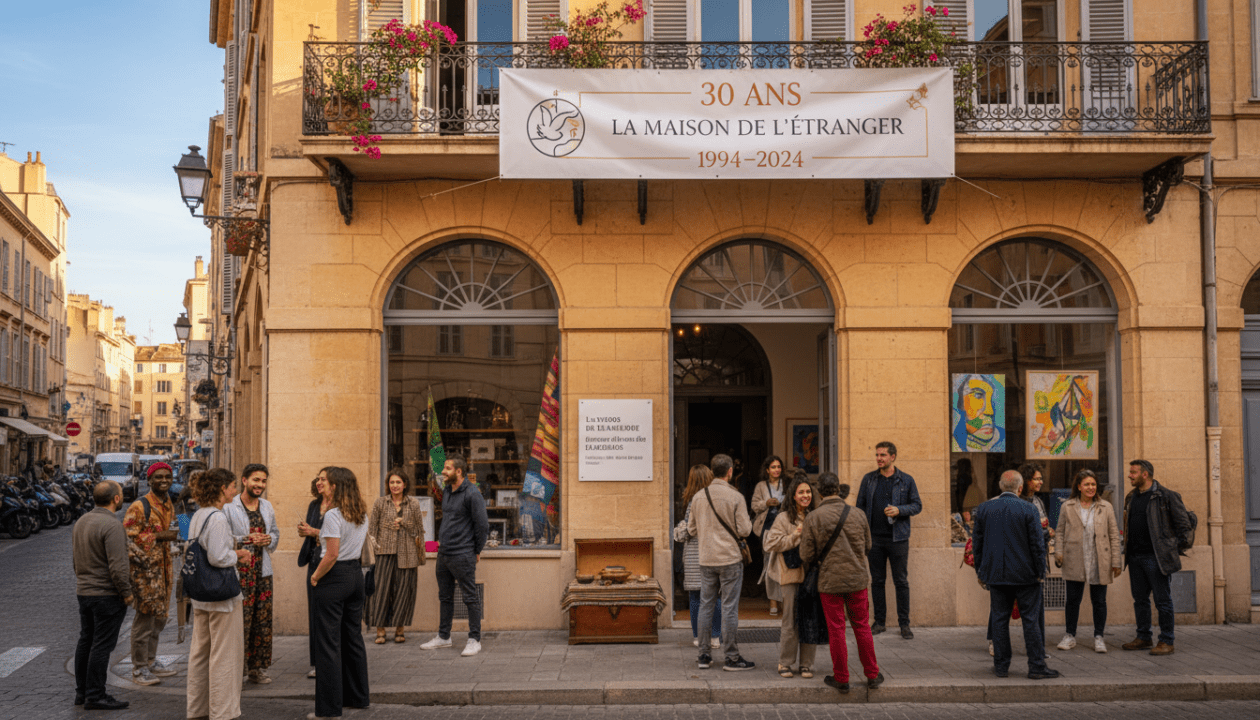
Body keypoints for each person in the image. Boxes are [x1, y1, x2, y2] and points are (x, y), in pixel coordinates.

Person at [972, 470, 1059, 680]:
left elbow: (977, 544)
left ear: (1001, 487)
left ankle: (1001, 666)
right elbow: (1037, 545)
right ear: (1020, 488)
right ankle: (1036, 666)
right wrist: (1040, 572)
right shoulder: (1029, 509)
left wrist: (981, 571)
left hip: (997, 575)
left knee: (999, 620)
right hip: (1026, 575)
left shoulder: (984, 508)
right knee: (1031, 621)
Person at [802, 474, 881, 693]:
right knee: (862, 626)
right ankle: (872, 674)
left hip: (830, 581)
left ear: (820, 492)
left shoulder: (814, 517)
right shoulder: (858, 514)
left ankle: (842, 678)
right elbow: (867, 546)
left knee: (836, 630)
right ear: (838, 489)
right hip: (857, 579)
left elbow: (806, 554)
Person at [186, 468, 250, 720]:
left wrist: (236, 541)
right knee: (225, 655)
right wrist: (239, 555)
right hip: (221, 595)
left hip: (200, 594)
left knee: (200, 654)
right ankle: (223, 712)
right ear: (222, 489)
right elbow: (218, 556)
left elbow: (194, 544)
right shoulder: (219, 517)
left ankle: (198, 709)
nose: (235, 491)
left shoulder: (196, 515)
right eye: (233, 486)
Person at [309, 466, 372, 719]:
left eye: (326, 480)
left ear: (335, 486)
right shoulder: (360, 513)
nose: (320, 483)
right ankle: (358, 697)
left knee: (328, 645)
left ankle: (328, 709)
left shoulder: (334, 515)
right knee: (353, 639)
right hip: (356, 577)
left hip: (334, 578)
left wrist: (315, 576)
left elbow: (332, 554)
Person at [688, 453, 754, 671]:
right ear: (730, 471)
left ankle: (704, 656)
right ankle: (732, 658)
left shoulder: (698, 497)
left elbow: (691, 530)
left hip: (706, 558)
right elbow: (745, 530)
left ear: (711, 470)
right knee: (729, 608)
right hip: (729, 558)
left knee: (706, 606)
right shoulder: (735, 497)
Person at [1121, 459, 1193, 656]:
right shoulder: (1131, 497)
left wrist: (1169, 549)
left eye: (1133, 472)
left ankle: (1166, 640)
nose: (1129, 475)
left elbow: (1184, 527)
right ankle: (1143, 636)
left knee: (1163, 601)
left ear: (1145, 474)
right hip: (1135, 557)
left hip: (1156, 558)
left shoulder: (1165, 496)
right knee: (1140, 600)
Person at [420, 453, 489, 657]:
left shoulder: (472, 493)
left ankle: (474, 639)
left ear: (458, 471)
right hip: (444, 553)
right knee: (445, 596)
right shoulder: (448, 491)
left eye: (447, 469)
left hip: (463, 553)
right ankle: (444, 637)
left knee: (470, 597)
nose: (443, 472)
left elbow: (482, 526)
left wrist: (476, 550)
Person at [73, 481, 133, 710]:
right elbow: (118, 567)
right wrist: (126, 593)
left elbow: (75, 560)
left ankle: (82, 692)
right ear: (116, 499)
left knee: (86, 641)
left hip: (85, 591)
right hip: (106, 593)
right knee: (101, 645)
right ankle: (95, 694)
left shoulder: (81, 521)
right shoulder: (112, 525)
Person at [854, 441, 921, 638]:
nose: (878, 459)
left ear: (893, 457)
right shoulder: (869, 479)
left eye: (882, 455)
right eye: (877, 455)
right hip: (874, 538)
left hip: (898, 538)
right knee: (877, 581)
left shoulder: (906, 480)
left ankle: (904, 624)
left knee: (901, 581)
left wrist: (900, 510)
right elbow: (860, 507)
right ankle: (879, 622)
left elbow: (917, 505)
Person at [123, 462, 179, 686]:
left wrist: (185, 528)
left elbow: (180, 529)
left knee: (160, 618)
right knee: (145, 620)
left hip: (165, 570)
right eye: (159, 477)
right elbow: (128, 537)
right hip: (145, 573)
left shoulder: (170, 503)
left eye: (167, 476)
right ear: (150, 480)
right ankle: (139, 668)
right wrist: (160, 536)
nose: (164, 480)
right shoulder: (139, 506)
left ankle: (151, 660)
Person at [1055, 469, 1121, 653]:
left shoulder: (1105, 507)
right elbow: (1059, 531)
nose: (1091, 487)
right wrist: (1058, 552)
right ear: (1079, 487)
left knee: (1099, 600)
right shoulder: (1067, 506)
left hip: (1099, 559)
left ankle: (1099, 637)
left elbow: (1114, 535)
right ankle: (1069, 635)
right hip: (1074, 558)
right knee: (1072, 600)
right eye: (1087, 484)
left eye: (1093, 484)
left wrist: (1116, 560)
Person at [225, 463, 279, 684]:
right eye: (256, 480)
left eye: (264, 481)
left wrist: (269, 540)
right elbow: (223, 538)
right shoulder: (229, 507)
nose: (260, 485)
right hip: (241, 572)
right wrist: (247, 539)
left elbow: (275, 532)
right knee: (241, 622)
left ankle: (258, 667)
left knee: (262, 620)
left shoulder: (266, 506)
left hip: (262, 572)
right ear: (244, 480)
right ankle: (238, 670)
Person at [763, 472, 818, 679]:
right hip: (790, 574)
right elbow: (770, 544)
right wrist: (795, 536)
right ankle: (785, 663)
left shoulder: (815, 515)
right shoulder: (783, 518)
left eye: (808, 492)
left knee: (809, 619)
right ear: (793, 495)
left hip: (811, 575)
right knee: (790, 620)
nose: (806, 495)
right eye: (801, 492)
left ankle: (806, 664)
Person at [366, 467, 425, 644]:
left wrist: (405, 523)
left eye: (398, 482)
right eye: (391, 482)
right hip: (383, 553)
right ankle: (380, 630)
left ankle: (400, 629)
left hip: (407, 554)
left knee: (403, 592)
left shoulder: (413, 504)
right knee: (381, 592)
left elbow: (419, 531)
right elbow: (371, 530)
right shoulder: (380, 503)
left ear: (405, 484)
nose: (395, 485)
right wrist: (374, 550)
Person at [674, 464, 721, 649]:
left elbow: (689, 529)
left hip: (695, 555)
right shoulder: (717, 498)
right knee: (714, 596)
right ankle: (715, 636)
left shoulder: (695, 501)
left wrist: (678, 529)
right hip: (714, 552)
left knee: (695, 597)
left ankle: (697, 636)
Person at [298, 471, 332, 679]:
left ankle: (330, 661)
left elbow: (339, 537)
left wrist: (314, 532)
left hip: (331, 563)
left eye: (323, 479)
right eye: (317, 479)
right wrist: (304, 531)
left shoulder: (340, 507)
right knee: (314, 614)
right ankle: (318, 662)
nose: (318, 482)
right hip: (313, 560)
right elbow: (310, 531)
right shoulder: (314, 505)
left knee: (328, 614)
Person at [751, 455, 787, 616]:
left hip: (785, 529)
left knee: (785, 565)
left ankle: (785, 601)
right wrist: (766, 503)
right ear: (767, 470)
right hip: (766, 529)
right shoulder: (760, 486)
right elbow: (754, 505)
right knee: (769, 565)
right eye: (773, 467)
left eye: (778, 466)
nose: (776, 470)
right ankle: (773, 602)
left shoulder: (787, 484)